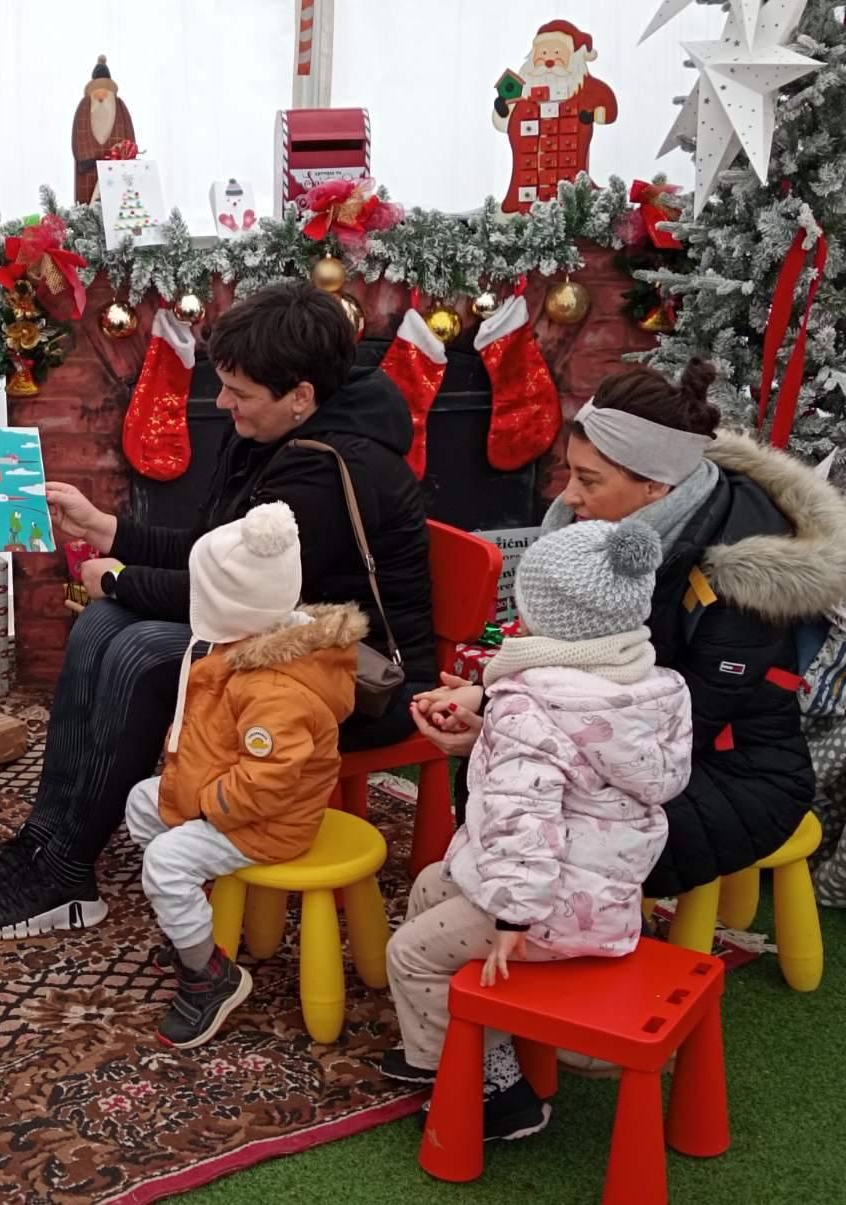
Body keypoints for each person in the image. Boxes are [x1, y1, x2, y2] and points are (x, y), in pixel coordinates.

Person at [0, 281, 433, 940]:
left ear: (300, 395)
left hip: (344, 679)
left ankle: (65, 866)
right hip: (275, 638)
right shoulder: (273, 434)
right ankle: (48, 841)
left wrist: (119, 580)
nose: (222, 403)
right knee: (104, 625)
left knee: (143, 651)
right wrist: (109, 530)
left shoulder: (330, 469)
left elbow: (230, 593)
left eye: (238, 392)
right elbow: (213, 553)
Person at [412, 360, 846, 899]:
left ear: (655, 486)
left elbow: (678, 723)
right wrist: (489, 700)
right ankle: (500, 920)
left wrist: (511, 728)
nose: (568, 496)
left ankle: (541, 935)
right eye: (570, 472)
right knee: (507, 784)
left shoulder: (741, 580)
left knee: (548, 819)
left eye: (589, 480)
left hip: (726, 767)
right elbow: (579, 661)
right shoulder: (614, 533)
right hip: (625, 739)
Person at [385, 518, 692, 1141]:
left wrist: (513, 918)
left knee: (410, 954)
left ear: (541, 614)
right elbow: (577, 772)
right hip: (599, 894)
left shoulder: (528, 703)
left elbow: (524, 819)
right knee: (430, 885)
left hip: (543, 907)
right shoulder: (654, 687)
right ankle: (441, 1043)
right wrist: (488, 734)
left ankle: (490, 1092)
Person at [124, 502, 365, 1049]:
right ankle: (195, 922)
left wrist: (206, 803)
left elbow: (269, 779)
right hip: (231, 793)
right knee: (142, 802)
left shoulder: (275, 687)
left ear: (229, 604)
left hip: (268, 822)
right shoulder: (248, 645)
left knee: (165, 861)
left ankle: (209, 978)